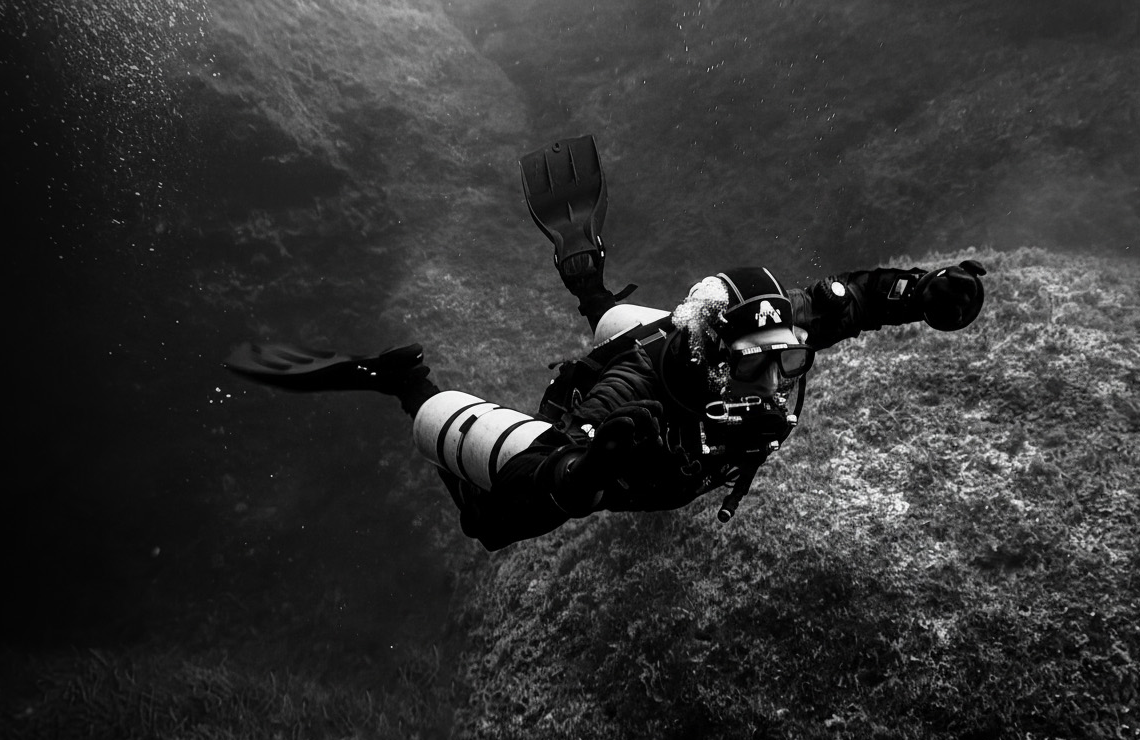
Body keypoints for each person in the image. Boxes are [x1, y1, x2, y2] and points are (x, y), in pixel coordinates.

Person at [227, 136, 987, 551]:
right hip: (622, 392)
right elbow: (542, 477)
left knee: (644, 331)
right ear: (708, 360)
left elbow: (850, 298)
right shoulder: (629, 404)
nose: (776, 387)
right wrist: (588, 467)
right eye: (759, 367)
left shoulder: (767, 328)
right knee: (490, 526)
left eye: (789, 361)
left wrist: (924, 292)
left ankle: (591, 285)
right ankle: (401, 382)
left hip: (665, 348)